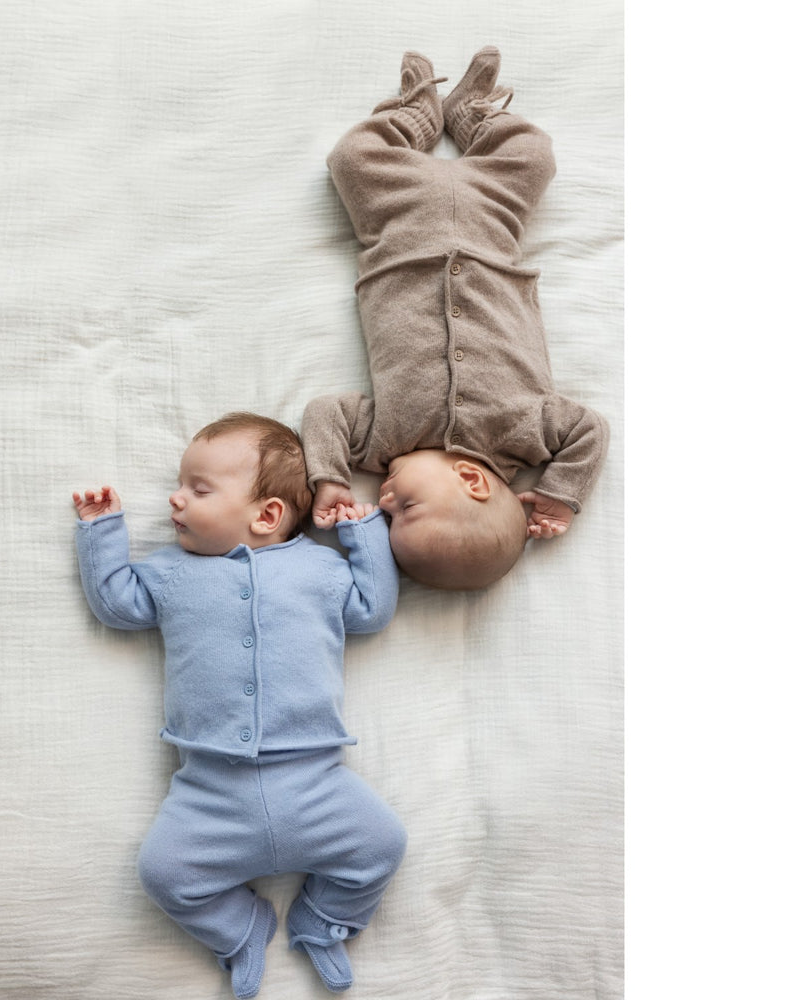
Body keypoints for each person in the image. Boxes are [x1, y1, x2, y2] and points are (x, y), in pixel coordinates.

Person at [72, 412, 406, 998]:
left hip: (316, 782)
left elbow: (372, 609)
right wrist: (102, 531)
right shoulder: (172, 572)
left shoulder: (320, 569)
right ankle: (241, 927)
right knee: (162, 874)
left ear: (267, 515)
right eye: (181, 485)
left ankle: (322, 918)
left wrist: (363, 532)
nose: (175, 498)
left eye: (199, 489)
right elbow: (118, 606)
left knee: (383, 845)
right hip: (210, 791)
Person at [302, 47, 609, 591]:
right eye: (406, 508)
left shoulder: (385, 441)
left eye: (388, 518)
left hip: (395, 223)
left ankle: (413, 118)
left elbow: (325, 413)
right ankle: (473, 116)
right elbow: (590, 430)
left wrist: (329, 478)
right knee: (535, 154)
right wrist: (562, 493)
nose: (384, 503)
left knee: (351, 157)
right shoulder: (527, 434)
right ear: (472, 481)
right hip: (494, 218)